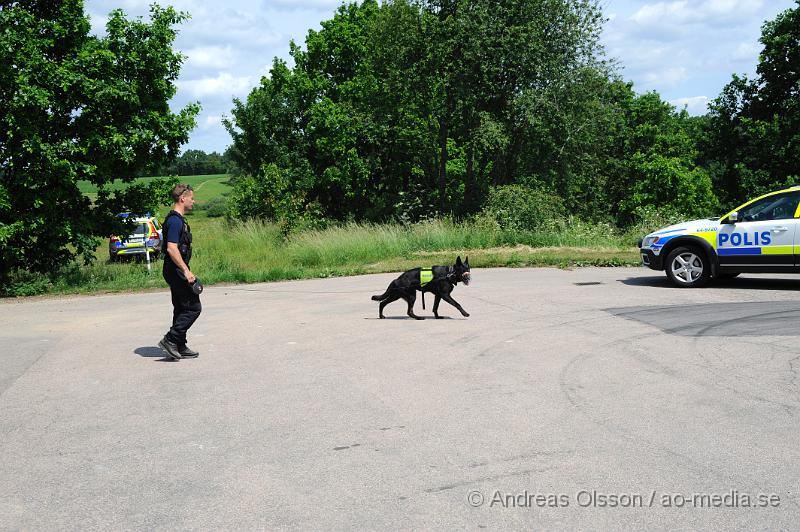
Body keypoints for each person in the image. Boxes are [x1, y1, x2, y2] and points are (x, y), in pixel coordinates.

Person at [158, 183, 202, 360]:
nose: (194, 201)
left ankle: (179, 345)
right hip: (176, 269)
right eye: (191, 198)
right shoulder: (175, 221)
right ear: (183, 198)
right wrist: (186, 270)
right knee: (193, 308)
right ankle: (170, 339)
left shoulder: (174, 219)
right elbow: (171, 248)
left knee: (181, 307)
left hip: (172, 269)